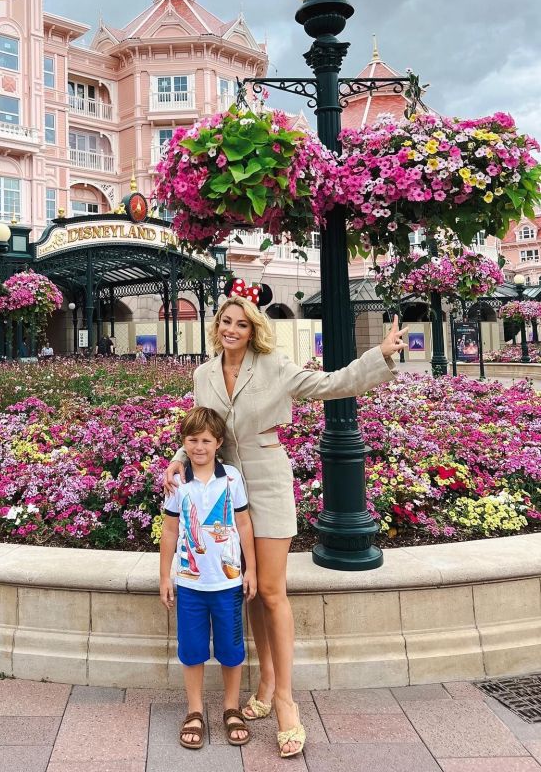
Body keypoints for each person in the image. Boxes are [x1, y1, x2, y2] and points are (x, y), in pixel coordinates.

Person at [164, 290, 406, 758]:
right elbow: (204, 428)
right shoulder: (203, 374)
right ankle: (265, 681)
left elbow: (331, 383)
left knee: (272, 591)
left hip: (269, 485)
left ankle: (285, 701)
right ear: (217, 327)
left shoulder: (274, 366)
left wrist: (379, 354)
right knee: (251, 591)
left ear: (253, 330)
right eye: (226, 322)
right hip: (223, 492)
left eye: (241, 323)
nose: (232, 329)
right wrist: (178, 458)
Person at [160, 406, 257, 750]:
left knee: (231, 650)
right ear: (183, 443)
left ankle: (231, 707)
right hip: (190, 584)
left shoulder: (231, 478)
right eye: (192, 440)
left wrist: (251, 570)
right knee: (192, 650)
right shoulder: (178, 483)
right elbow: (170, 531)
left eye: (205, 440)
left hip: (228, 584)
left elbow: (243, 524)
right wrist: (165, 577)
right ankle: (195, 710)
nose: (199, 447)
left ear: (218, 443)